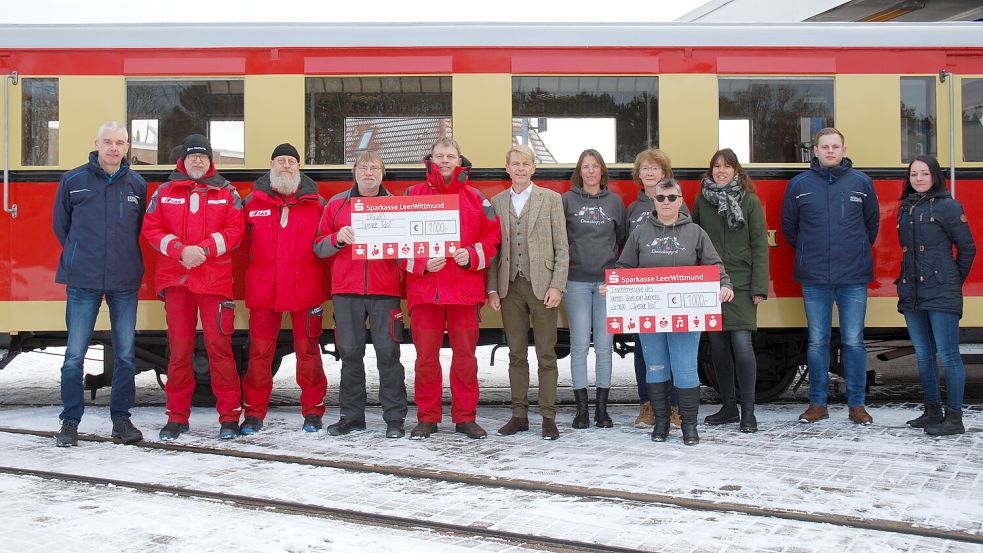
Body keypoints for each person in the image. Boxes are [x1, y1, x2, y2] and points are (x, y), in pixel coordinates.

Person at [604, 179, 733, 445]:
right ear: (654, 201)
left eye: (671, 198)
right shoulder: (640, 232)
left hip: (685, 314)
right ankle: (661, 423)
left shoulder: (696, 232)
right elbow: (625, 265)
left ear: (681, 200)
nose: (666, 203)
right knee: (656, 367)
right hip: (649, 313)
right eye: (661, 198)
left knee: (685, 368)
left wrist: (724, 285)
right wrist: (614, 285)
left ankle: (689, 426)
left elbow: (714, 264)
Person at [143, 134, 245, 440]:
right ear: (183, 160)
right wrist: (179, 250)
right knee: (179, 352)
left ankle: (229, 417)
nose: (197, 161)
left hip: (213, 283)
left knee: (220, 350)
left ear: (210, 160)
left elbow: (236, 230)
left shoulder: (227, 192)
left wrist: (201, 250)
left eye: (202, 156)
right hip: (177, 282)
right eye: (192, 156)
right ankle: (176, 416)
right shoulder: (164, 191)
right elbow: (150, 227)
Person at [52, 121, 147, 447]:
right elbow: (61, 226)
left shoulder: (137, 184)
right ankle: (69, 422)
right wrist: (81, 254)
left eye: (120, 143)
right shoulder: (73, 180)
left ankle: (121, 420)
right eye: (108, 142)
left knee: (125, 355)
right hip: (83, 278)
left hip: (124, 278)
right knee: (75, 354)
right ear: (97, 143)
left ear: (127, 147)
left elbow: (139, 230)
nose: (114, 148)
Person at [401, 138, 501, 440]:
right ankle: (428, 417)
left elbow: (493, 240)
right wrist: (419, 263)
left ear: (460, 161)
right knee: (426, 359)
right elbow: (395, 241)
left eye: (451, 156)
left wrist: (472, 255)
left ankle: (465, 417)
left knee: (465, 358)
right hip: (426, 290)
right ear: (431, 160)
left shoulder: (477, 199)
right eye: (440, 156)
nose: (445, 161)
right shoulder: (412, 195)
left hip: (464, 290)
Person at [781, 128, 879, 425]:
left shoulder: (862, 183)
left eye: (835, 146)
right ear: (815, 151)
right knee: (817, 341)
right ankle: (818, 404)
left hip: (853, 276)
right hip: (814, 277)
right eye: (825, 147)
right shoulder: (799, 185)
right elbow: (790, 229)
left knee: (853, 341)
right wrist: (812, 252)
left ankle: (857, 405)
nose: (830, 151)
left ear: (843, 149)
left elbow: (870, 226)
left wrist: (853, 251)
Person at [315, 150, 409, 438]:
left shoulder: (397, 207)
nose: (369, 172)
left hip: (385, 291)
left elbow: (409, 250)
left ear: (382, 174)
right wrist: (337, 239)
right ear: (354, 172)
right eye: (363, 167)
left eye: (375, 168)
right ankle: (351, 416)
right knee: (350, 355)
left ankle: (394, 419)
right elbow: (319, 247)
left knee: (388, 355)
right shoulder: (336, 205)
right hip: (346, 292)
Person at [241, 143, 329, 435]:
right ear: (271, 164)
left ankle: (313, 412)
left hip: (308, 291)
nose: (286, 166)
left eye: (292, 161)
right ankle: (254, 413)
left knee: (308, 353)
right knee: (260, 354)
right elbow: (240, 246)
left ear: (299, 167)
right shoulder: (252, 202)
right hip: (264, 291)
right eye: (281, 161)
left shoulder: (317, 203)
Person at [487, 144, 569, 440]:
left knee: (547, 354)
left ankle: (548, 416)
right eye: (515, 164)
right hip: (510, 287)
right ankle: (519, 415)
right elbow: (494, 251)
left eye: (526, 164)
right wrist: (493, 289)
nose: (520, 169)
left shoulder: (551, 199)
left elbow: (562, 247)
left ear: (533, 168)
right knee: (516, 354)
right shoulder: (496, 202)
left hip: (543, 286)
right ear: (507, 168)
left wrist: (557, 285)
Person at [897, 155, 975, 436]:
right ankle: (932, 412)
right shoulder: (905, 208)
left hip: (941, 292)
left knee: (949, 355)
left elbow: (968, 249)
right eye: (914, 174)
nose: (918, 178)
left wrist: (951, 281)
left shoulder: (949, 207)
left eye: (924, 173)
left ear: (935, 176)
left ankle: (954, 418)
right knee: (923, 355)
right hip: (912, 291)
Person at [692, 148, 769, 433]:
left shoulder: (749, 202)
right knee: (718, 348)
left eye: (726, 166)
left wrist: (759, 287)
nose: (721, 171)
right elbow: (694, 242)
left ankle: (748, 413)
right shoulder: (702, 202)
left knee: (742, 345)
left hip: (742, 283)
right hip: (710, 281)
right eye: (716, 166)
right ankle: (728, 408)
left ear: (736, 171)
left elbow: (760, 245)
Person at [562, 149, 626, 429]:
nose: (590, 171)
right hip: (575, 281)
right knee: (578, 348)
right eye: (585, 167)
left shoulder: (614, 202)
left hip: (606, 284)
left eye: (595, 166)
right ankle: (581, 410)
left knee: (604, 346)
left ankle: (602, 409)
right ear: (580, 171)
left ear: (602, 171)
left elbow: (621, 238)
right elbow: (560, 238)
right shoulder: (567, 201)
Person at [625, 148, 686, 430]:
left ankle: (674, 408)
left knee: (673, 350)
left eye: (655, 169)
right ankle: (647, 406)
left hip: (672, 289)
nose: (649, 173)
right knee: (643, 350)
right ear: (638, 174)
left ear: (665, 173)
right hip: (642, 291)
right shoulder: (633, 209)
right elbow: (625, 250)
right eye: (645, 169)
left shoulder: (678, 204)